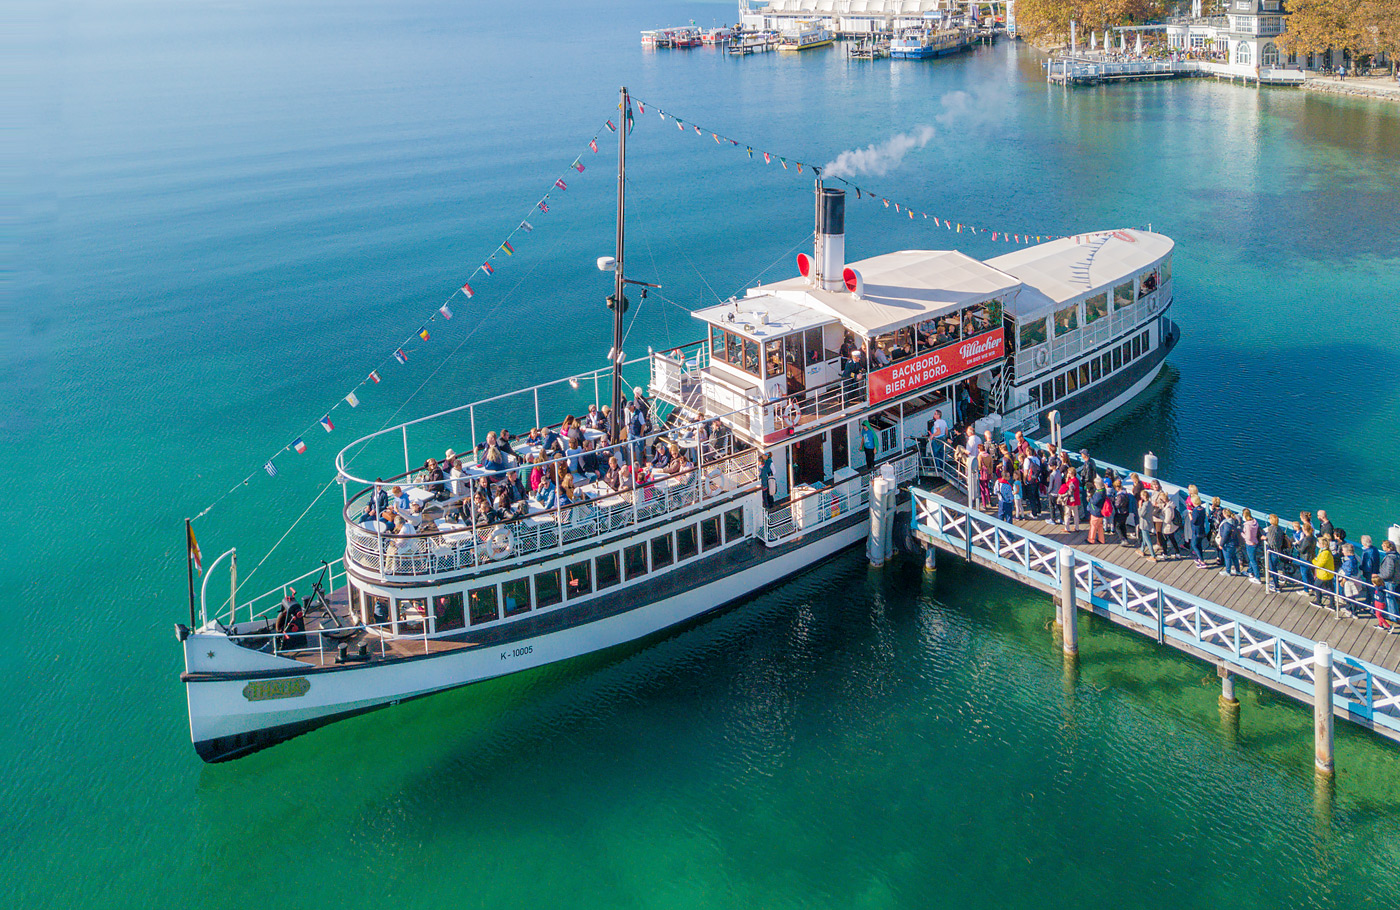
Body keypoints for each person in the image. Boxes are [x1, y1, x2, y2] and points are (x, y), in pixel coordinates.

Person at [1311, 536, 1335, 608]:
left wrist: (1313, 560)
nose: (1318, 544)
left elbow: (1319, 564)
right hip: (1328, 574)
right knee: (1330, 589)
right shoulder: (1324, 551)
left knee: (1317, 586)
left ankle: (1318, 601)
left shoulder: (1325, 553)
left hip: (1324, 574)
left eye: (1319, 543)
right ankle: (1332, 604)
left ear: (1324, 544)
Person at [1240, 508, 1261, 583]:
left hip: (1250, 544)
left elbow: (1248, 537)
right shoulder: (1255, 522)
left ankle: (1257, 577)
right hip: (1255, 542)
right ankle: (1250, 572)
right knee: (1252, 559)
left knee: (1253, 560)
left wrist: (1242, 533)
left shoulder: (1247, 525)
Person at [1218, 510, 1241, 577]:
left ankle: (1228, 571)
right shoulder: (1234, 521)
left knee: (1227, 558)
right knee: (1234, 557)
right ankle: (1237, 570)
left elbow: (1225, 535)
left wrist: (1221, 544)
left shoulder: (1226, 524)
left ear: (1225, 514)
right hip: (1234, 542)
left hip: (1228, 544)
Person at [1188, 494, 1208, 567]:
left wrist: (1190, 516)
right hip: (1201, 529)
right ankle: (1200, 558)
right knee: (1199, 545)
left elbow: (1194, 521)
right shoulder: (1202, 509)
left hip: (1196, 531)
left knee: (1194, 545)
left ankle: (1202, 561)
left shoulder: (1196, 511)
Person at [1137, 490, 1157, 561]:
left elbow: (1141, 515)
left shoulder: (1145, 505)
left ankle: (1153, 555)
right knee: (1144, 537)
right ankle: (1142, 550)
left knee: (1147, 539)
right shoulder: (1150, 503)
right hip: (1148, 522)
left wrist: (1139, 507)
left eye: (1142, 495)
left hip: (1144, 524)